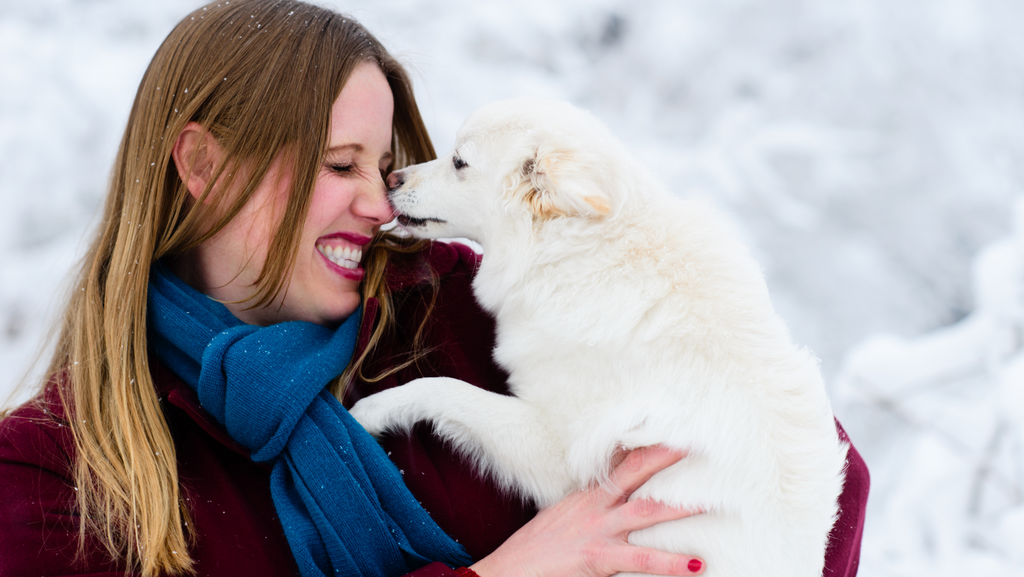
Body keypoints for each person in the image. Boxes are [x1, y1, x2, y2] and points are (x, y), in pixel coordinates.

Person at [0, 1, 869, 576]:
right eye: (341, 165)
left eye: (383, 165)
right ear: (202, 164)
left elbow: (821, 472)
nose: (380, 202)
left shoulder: (462, 319)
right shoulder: (53, 474)